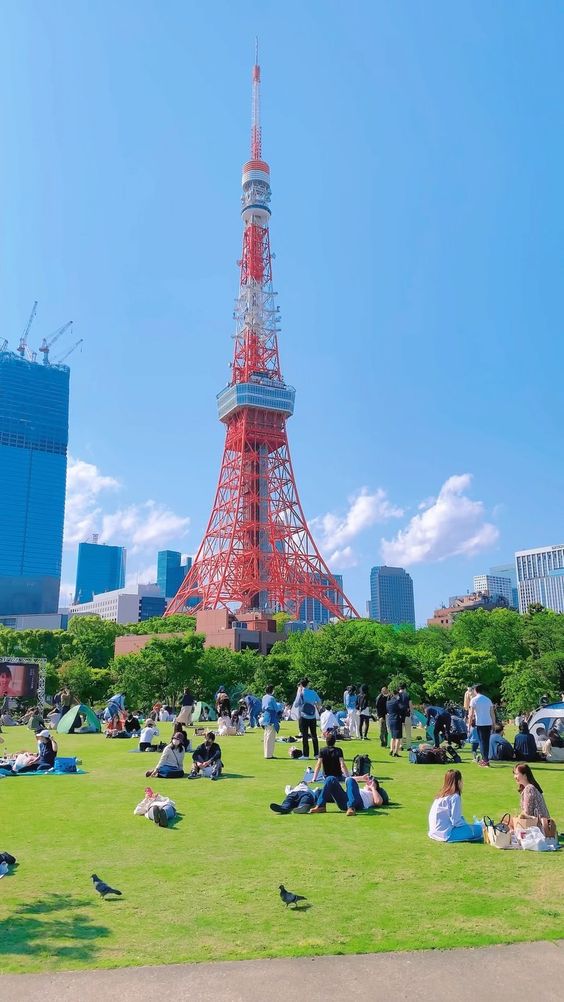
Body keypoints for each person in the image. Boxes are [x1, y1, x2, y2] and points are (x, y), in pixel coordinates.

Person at [428, 769, 483, 843]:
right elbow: (456, 821)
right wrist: (467, 827)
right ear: (459, 782)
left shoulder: (440, 796)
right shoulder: (455, 797)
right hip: (446, 834)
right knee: (479, 829)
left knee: (466, 822)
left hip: (434, 832)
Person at [309, 774, 389, 816]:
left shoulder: (373, 793)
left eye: (372, 782)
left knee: (351, 781)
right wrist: (361, 778)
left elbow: (378, 802)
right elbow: (348, 779)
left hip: (359, 804)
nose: (369, 782)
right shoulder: (359, 788)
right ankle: (321, 806)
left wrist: (373, 788)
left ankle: (351, 808)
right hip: (345, 801)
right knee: (330, 778)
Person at [467, 684, 496, 768]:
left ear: (475, 690)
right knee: (486, 742)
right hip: (488, 723)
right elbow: (492, 713)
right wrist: (494, 723)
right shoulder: (488, 699)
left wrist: (469, 725)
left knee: (482, 742)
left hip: (480, 723)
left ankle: (485, 760)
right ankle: (486, 759)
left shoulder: (474, 700)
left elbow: (471, 714)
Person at [295, 678, 321, 759]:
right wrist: (315, 706)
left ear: (301, 685)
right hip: (312, 716)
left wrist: (298, 692)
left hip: (304, 716)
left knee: (305, 736)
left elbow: (296, 704)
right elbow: (319, 701)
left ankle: (306, 755)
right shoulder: (313, 692)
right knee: (314, 736)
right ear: (308, 684)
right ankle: (316, 754)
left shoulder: (301, 693)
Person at [261, 685, 280, 759]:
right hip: (271, 717)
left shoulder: (264, 697)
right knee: (270, 736)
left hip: (265, 716)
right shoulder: (272, 698)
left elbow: (263, 708)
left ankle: (266, 753)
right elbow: (276, 708)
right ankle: (269, 754)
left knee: (266, 735)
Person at [386, 689, 403, 757]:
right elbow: (401, 709)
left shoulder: (388, 702)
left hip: (390, 719)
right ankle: (396, 752)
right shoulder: (397, 702)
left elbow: (388, 710)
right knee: (398, 737)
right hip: (397, 719)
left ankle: (391, 750)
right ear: (396, 694)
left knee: (393, 736)